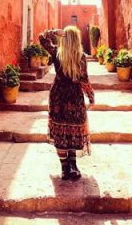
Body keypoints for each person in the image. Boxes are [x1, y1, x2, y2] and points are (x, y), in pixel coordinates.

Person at [39, 26, 95, 180]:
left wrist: (54, 32)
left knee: (60, 131)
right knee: (73, 130)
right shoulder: (81, 56)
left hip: (58, 96)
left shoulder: (57, 52)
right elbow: (84, 80)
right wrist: (91, 95)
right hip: (74, 96)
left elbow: (42, 38)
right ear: (77, 40)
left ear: (64, 38)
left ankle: (65, 168)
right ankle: (72, 166)